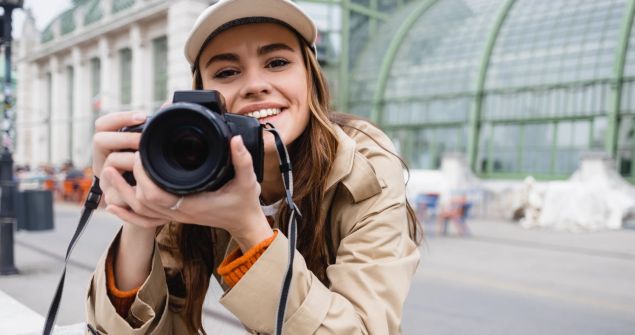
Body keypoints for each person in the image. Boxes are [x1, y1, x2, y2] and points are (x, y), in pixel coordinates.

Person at [86, 0, 421, 334]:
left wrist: (248, 227)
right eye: (227, 72)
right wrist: (140, 216)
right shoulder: (190, 166)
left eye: (277, 62)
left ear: (311, 79)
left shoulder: (362, 164)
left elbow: (365, 329)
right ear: (201, 98)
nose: (255, 84)